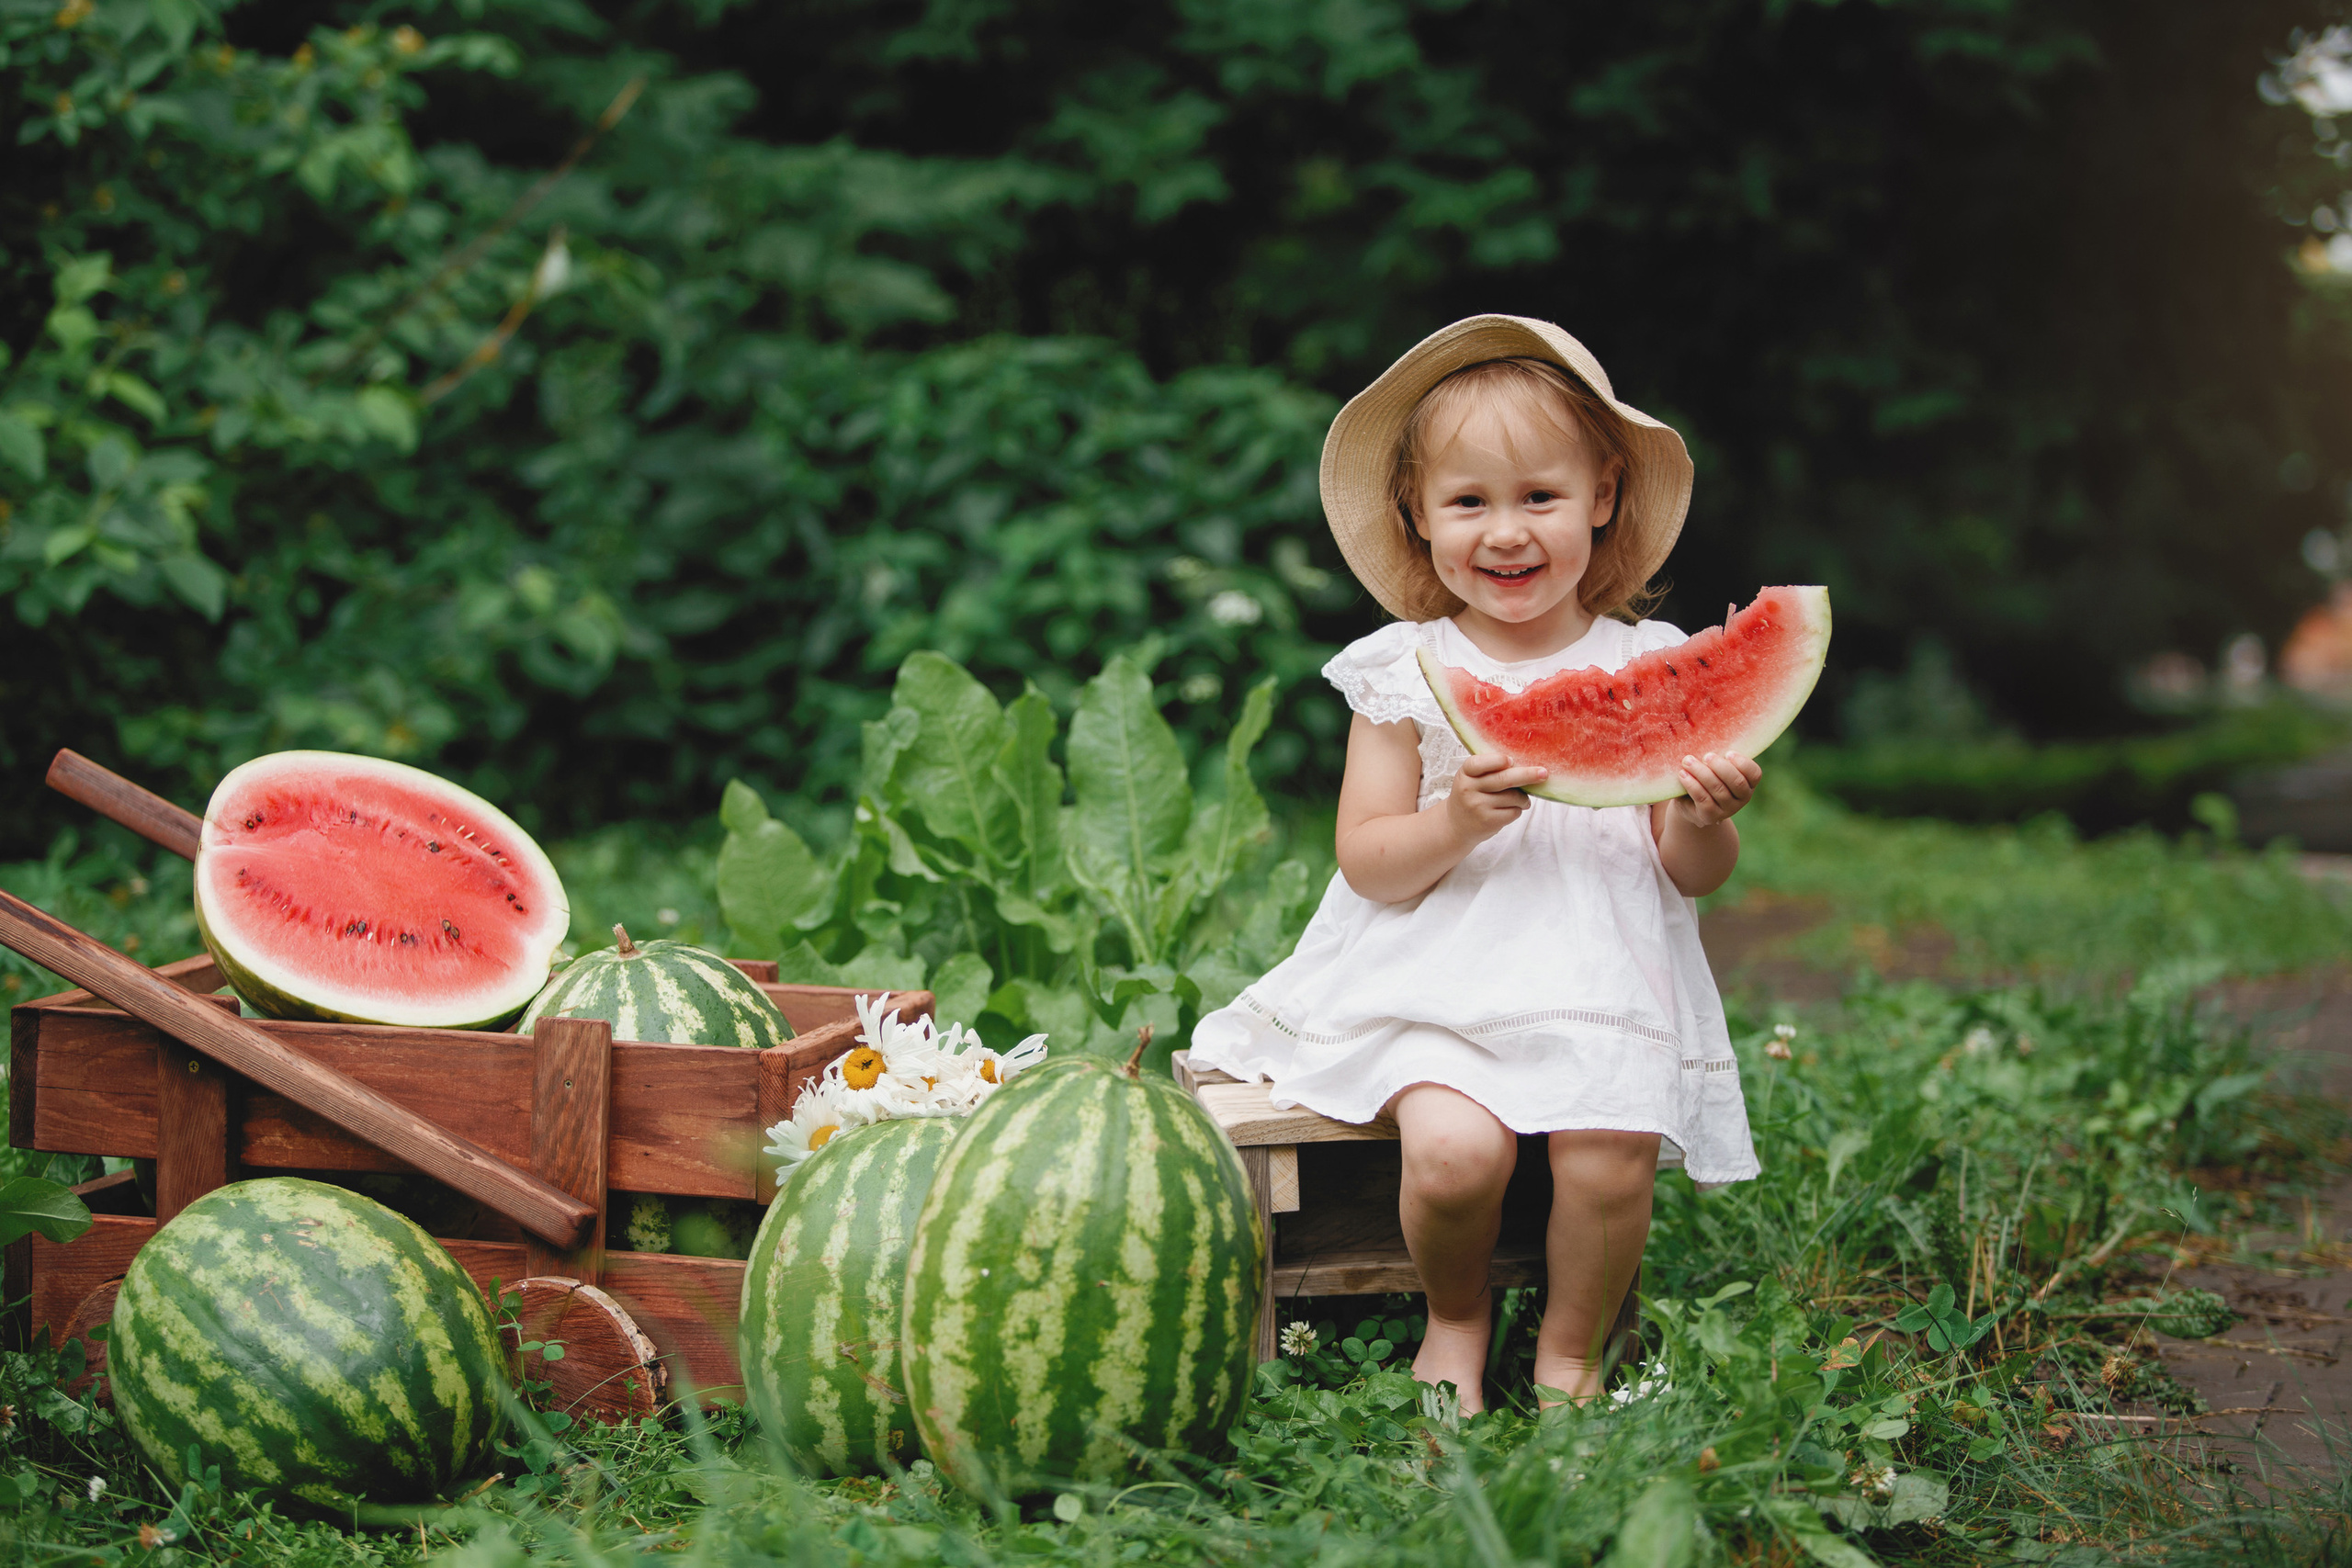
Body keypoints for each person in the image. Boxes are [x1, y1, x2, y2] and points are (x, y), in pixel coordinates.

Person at [1188, 315, 1761, 1413]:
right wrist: (1454, 820)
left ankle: (1570, 1353)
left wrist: (1703, 812)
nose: (1506, 533)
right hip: (1436, 984)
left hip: (1599, 979)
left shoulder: (1653, 667)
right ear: (1416, 513)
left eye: (1538, 497)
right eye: (1469, 503)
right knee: (1452, 1154)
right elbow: (1369, 863)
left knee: (1608, 1159)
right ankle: (1455, 1319)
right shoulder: (1404, 669)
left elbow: (1693, 872)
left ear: (1602, 494)